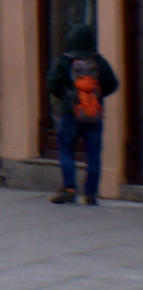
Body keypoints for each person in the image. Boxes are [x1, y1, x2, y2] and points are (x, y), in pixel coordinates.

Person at [47, 25, 119, 205]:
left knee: (66, 149)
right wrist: (96, 97)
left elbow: (52, 83)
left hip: (69, 113)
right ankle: (90, 193)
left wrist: (65, 98)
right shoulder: (99, 61)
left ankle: (69, 188)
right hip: (93, 114)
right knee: (93, 153)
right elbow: (112, 84)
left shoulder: (63, 61)